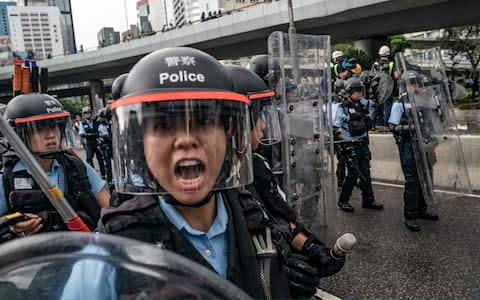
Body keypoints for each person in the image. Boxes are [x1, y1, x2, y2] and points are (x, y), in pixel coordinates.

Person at [63, 47, 296, 299]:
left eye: (204, 121)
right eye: (163, 125)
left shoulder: (252, 214)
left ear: (228, 136)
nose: (186, 140)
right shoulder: (110, 253)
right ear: (140, 145)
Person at [225, 64, 345, 298]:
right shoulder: (213, 189)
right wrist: (272, 264)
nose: (264, 125)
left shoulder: (255, 166)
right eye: (258, 117)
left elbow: (274, 217)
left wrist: (310, 246)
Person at [0, 93, 109, 240]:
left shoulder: (76, 166)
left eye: (54, 125)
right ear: (17, 133)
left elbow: (109, 212)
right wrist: (12, 228)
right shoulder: (6, 178)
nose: (51, 134)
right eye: (39, 128)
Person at [388, 70, 439, 231]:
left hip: (423, 145)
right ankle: (410, 216)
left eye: (416, 83)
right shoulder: (399, 104)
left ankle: (421, 210)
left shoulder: (422, 101)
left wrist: (432, 132)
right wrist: (411, 128)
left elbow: (428, 122)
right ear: (404, 86)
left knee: (424, 178)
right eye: (411, 83)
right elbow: (392, 126)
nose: (414, 86)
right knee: (412, 181)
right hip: (408, 146)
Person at [333, 77, 384, 212]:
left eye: (361, 90)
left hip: (362, 143)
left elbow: (376, 104)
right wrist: (344, 147)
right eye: (357, 91)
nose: (360, 93)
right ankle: (343, 201)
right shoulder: (341, 108)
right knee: (353, 173)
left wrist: (374, 89)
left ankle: (368, 200)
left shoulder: (362, 103)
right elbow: (335, 128)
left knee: (365, 172)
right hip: (350, 145)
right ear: (349, 92)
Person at [371, 45, 399, 129]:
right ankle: (386, 126)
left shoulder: (375, 64)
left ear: (380, 54)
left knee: (376, 107)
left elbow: (371, 76)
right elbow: (396, 76)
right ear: (388, 54)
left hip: (378, 89)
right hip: (388, 90)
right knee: (388, 108)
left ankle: (372, 125)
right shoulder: (391, 64)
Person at [78, 106, 105, 178]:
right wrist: (91, 134)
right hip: (89, 143)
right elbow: (81, 133)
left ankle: (103, 174)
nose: (87, 115)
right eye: (85, 113)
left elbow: (100, 131)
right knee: (89, 158)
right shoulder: (82, 123)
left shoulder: (96, 121)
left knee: (100, 158)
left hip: (97, 142)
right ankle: (93, 175)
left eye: (88, 113)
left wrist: (97, 135)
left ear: (91, 113)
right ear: (83, 115)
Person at [96, 107, 113, 184]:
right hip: (106, 146)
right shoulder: (102, 126)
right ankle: (109, 180)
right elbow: (107, 137)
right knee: (108, 164)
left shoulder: (109, 124)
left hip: (111, 146)